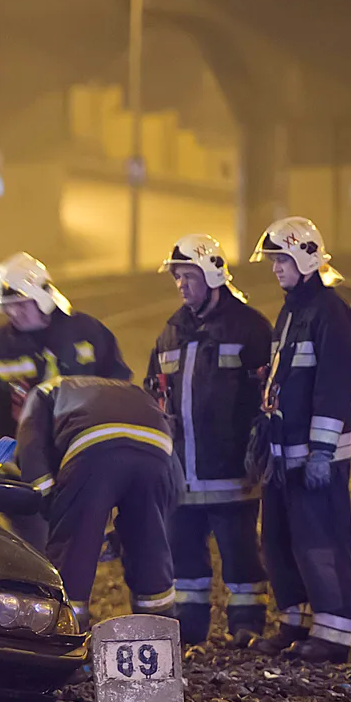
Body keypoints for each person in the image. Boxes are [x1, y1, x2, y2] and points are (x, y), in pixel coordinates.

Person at [148, 234, 272, 646]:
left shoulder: (249, 328)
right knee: (185, 557)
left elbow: (267, 395)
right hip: (183, 472)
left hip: (232, 469)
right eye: (177, 277)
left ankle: (247, 626)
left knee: (240, 553)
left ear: (213, 275)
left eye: (189, 276)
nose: (181, 284)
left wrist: (260, 448)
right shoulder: (171, 332)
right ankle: (190, 627)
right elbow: (154, 392)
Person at [0, 252, 131, 550]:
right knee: (42, 550)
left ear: (43, 297)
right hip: (27, 473)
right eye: (8, 308)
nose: (13, 313)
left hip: (85, 461)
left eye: (20, 305)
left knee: (80, 549)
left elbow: (120, 390)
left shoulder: (90, 335)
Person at [247, 216, 351, 664]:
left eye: (282, 260)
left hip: (315, 457)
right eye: (273, 260)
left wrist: (323, 453)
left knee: (320, 542)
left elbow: (333, 385)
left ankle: (333, 635)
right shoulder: (293, 309)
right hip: (284, 455)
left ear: (306, 259)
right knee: (278, 541)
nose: (275, 268)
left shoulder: (330, 312)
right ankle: (295, 622)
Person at [14, 375, 180, 631]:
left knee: (74, 550)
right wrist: (123, 536)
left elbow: (30, 449)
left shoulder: (41, 393)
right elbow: (172, 487)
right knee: (150, 545)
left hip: (93, 446)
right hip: (156, 446)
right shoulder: (129, 390)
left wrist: (51, 505)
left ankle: (65, 632)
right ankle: (158, 632)